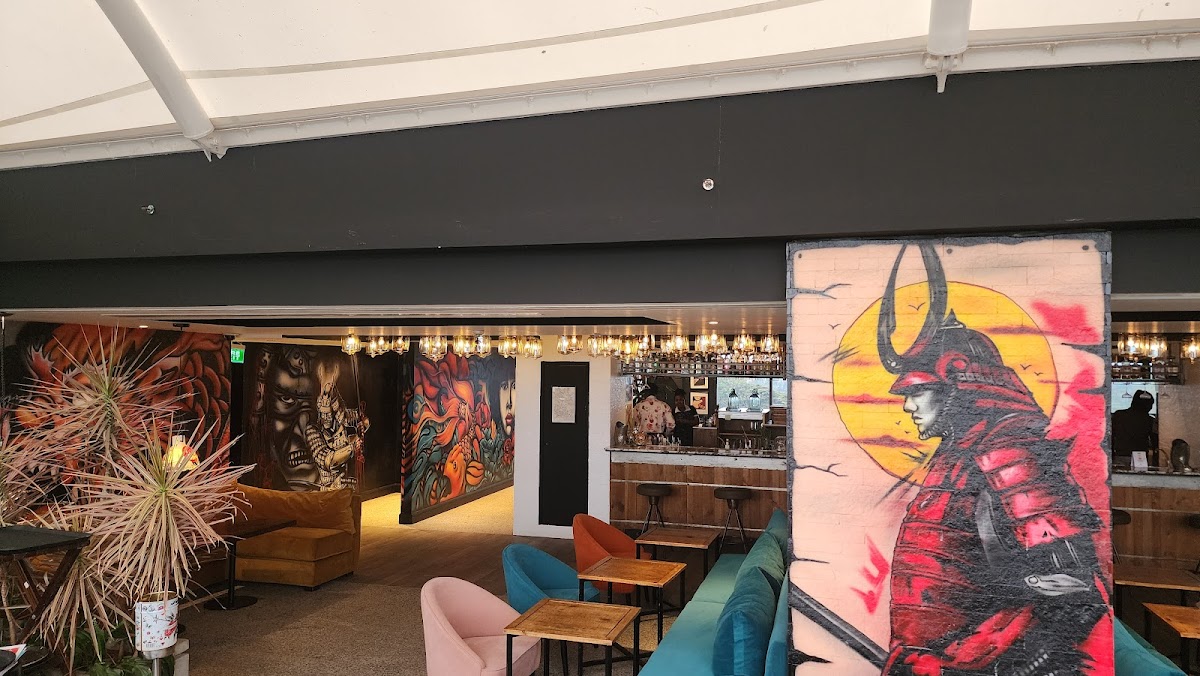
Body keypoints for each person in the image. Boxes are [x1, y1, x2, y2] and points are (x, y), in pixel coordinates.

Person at [876, 244, 1104, 676]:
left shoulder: (1009, 455)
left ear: (959, 384)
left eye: (918, 392)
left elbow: (1073, 593)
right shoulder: (955, 459)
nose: (908, 405)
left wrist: (971, 661)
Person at [1111, 389, 1158, 468]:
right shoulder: (1149, 420)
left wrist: (1111, 454)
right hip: (1140, 458)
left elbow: (1110, 437)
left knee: (1119, 475)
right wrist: (1155, 461)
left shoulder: (1118, 415)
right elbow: (1155, 443)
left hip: (1120, 455)